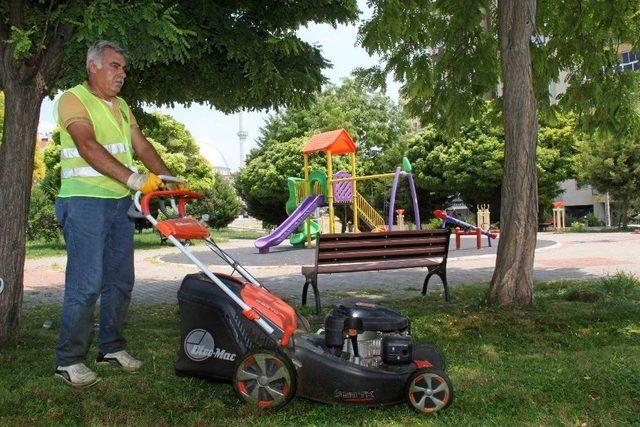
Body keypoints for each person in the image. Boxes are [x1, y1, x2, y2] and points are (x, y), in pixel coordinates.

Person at [54, 40, 180, 387]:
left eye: (123, 68)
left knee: (121, 282)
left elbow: (142, 146)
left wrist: (169, 182)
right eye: (115, 66)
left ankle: (110, 347)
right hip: (83, 202)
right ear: (92, 65)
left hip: (119, 204)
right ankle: (68, 360)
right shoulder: (72, 99)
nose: (122, 73)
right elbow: (87, 145)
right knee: (86, 283)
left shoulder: (123, 107)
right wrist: (134, 178)